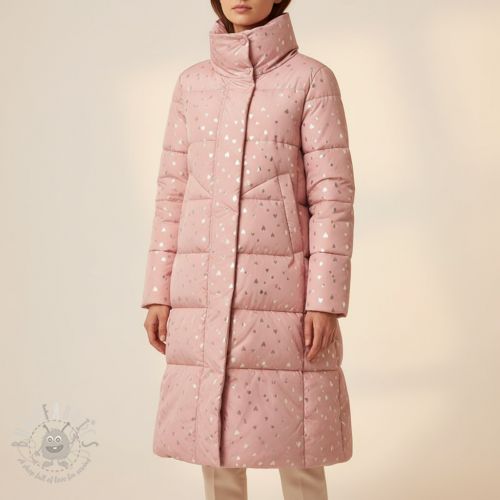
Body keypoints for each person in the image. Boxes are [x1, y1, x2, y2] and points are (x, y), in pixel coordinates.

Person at [141, 1, 355, 498]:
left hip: (285, 293)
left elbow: (332, 195)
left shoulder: (311, 79)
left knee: (300, 440)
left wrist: (324, 300)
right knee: (213, 441)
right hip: (200, 291)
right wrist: (158, 293)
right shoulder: (192, 84)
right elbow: (173, 192)